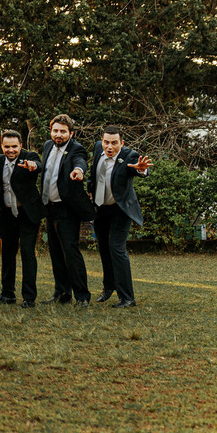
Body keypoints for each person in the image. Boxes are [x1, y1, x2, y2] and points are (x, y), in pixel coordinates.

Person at [88, 126, 151, 309]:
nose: (109, 146)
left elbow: (138, 170)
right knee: (104, 248)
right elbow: (94, 173)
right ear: (102, 142)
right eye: (106, 142)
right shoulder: (98, 148)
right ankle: (109, 287)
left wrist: (141, 170)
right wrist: (90, 189)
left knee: (116, 248)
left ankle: (127, 298)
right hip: (101, 209)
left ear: (121, 143)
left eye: (114, 143)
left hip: (121, 210)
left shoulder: (130, 156)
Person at [39, 114, 93, 307]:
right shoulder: (47, 146)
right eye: (55, 131)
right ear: (51, 131)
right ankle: (62, 293)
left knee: (70, 252)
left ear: (71, 133)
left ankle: (82, 296)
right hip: (49, 207)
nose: (58, 134)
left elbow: (81, 161)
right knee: (55, 252)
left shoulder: (76, 148)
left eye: (63, 131)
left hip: (67, 209)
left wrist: (79, 171)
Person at [0, 130, 44, 307]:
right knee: (7, 253)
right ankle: (7, 294)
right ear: (2, 146)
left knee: (27, 252)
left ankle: (29, 297)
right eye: (6, 147)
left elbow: (39, 165)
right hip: (7, 215)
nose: (10, 150)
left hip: (27, 214)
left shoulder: (29, 156)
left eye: (14, 146)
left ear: (20, 146)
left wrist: (33, 165)